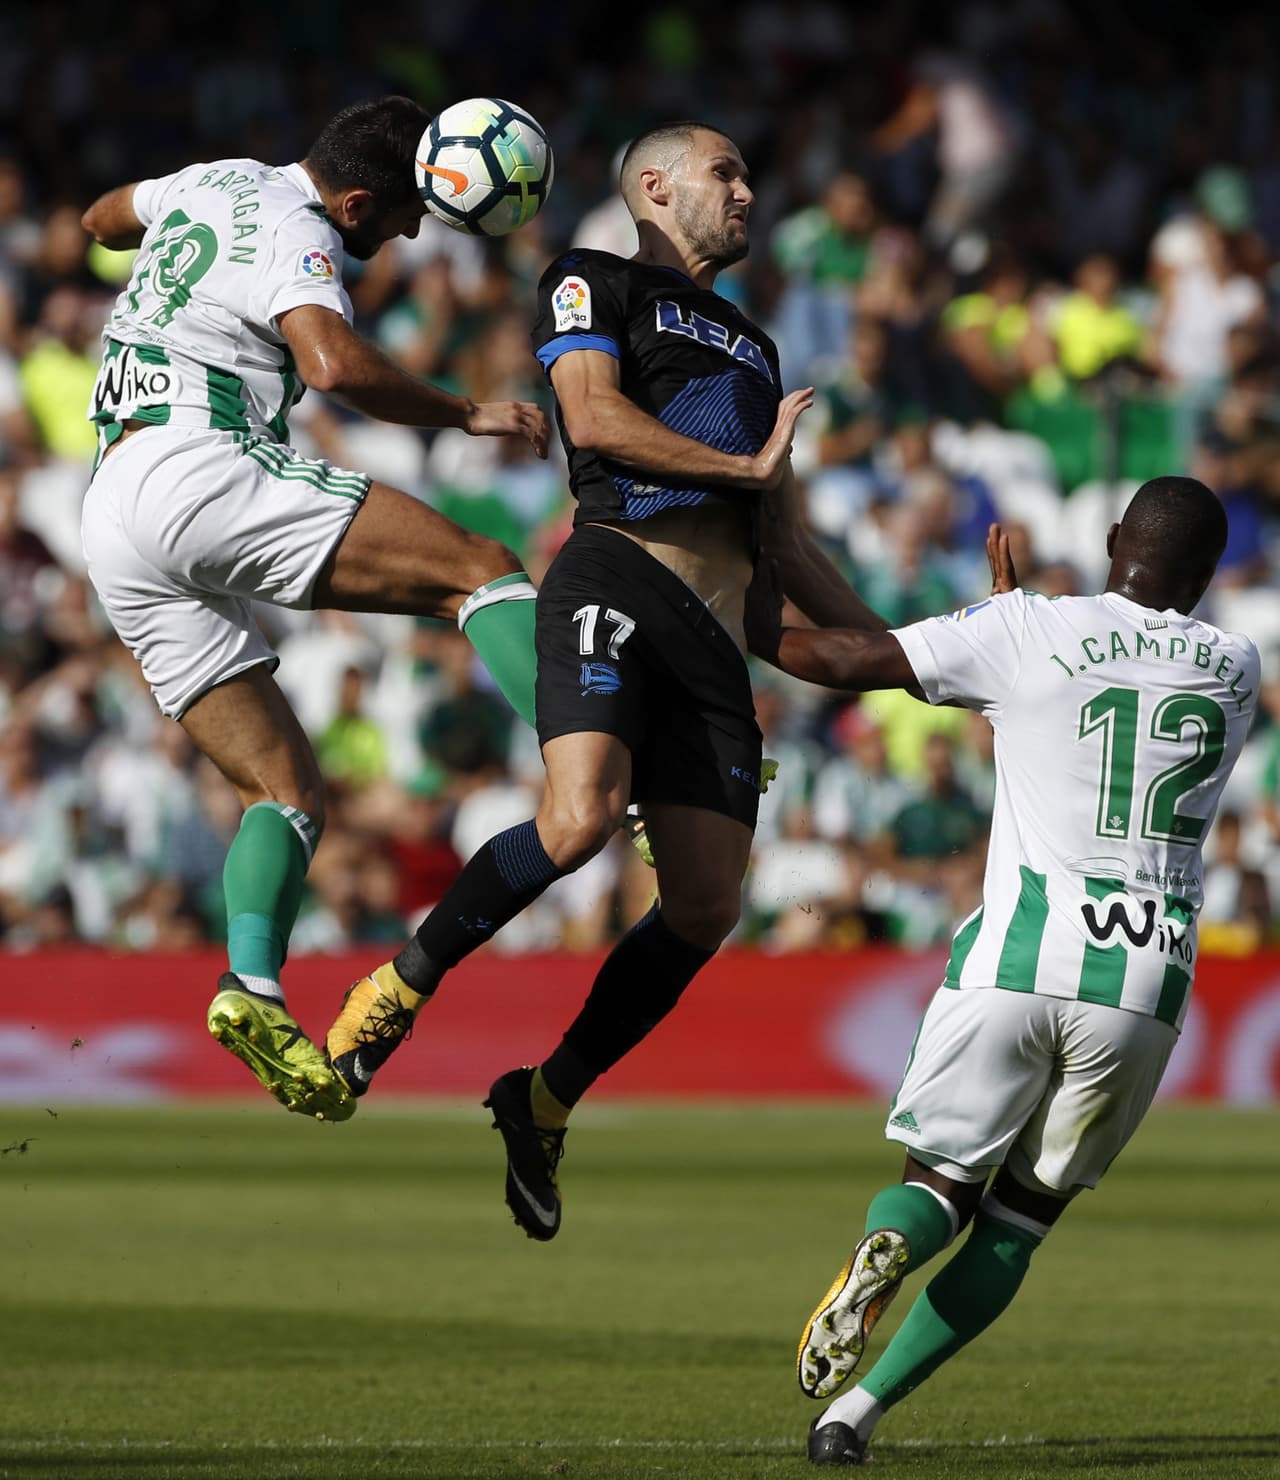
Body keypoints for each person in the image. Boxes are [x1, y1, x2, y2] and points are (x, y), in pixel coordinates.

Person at [323, 119, 886, 1239]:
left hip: (712, 633)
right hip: (614, 572)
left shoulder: (758, 347)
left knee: (706, 905)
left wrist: (927, 649)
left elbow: (787, 548)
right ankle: (397, 987)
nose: (744, 191)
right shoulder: (589, 278)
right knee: (576, 819)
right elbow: (589, 416)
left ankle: (541, 1098)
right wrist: (740, 462)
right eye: (725, 171)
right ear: (655, 184)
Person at [746, 480, 1258, 1466]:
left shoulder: (1026, 629)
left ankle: (890, 1242)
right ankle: (855, 1413)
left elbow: (850, 658)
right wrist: (1001, 641)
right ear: (1204, 577)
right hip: (1143, 980)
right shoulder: (1232, 666)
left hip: (1019, 954)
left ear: (1111, 539)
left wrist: (731, 605)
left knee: (937, 1184)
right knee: (1017, 1222)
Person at [79, 97, 549, 1123]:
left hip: (112, 506)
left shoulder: (209, 179)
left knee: (283, 787)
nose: (409, 235)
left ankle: (250, 985)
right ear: (351, 201)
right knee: (482, 567)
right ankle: (607, 764)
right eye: (399, 218)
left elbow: (102, 219)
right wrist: (468, 411)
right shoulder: (298, 230)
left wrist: (144, 256)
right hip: (199, 458)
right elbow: (331, 364)